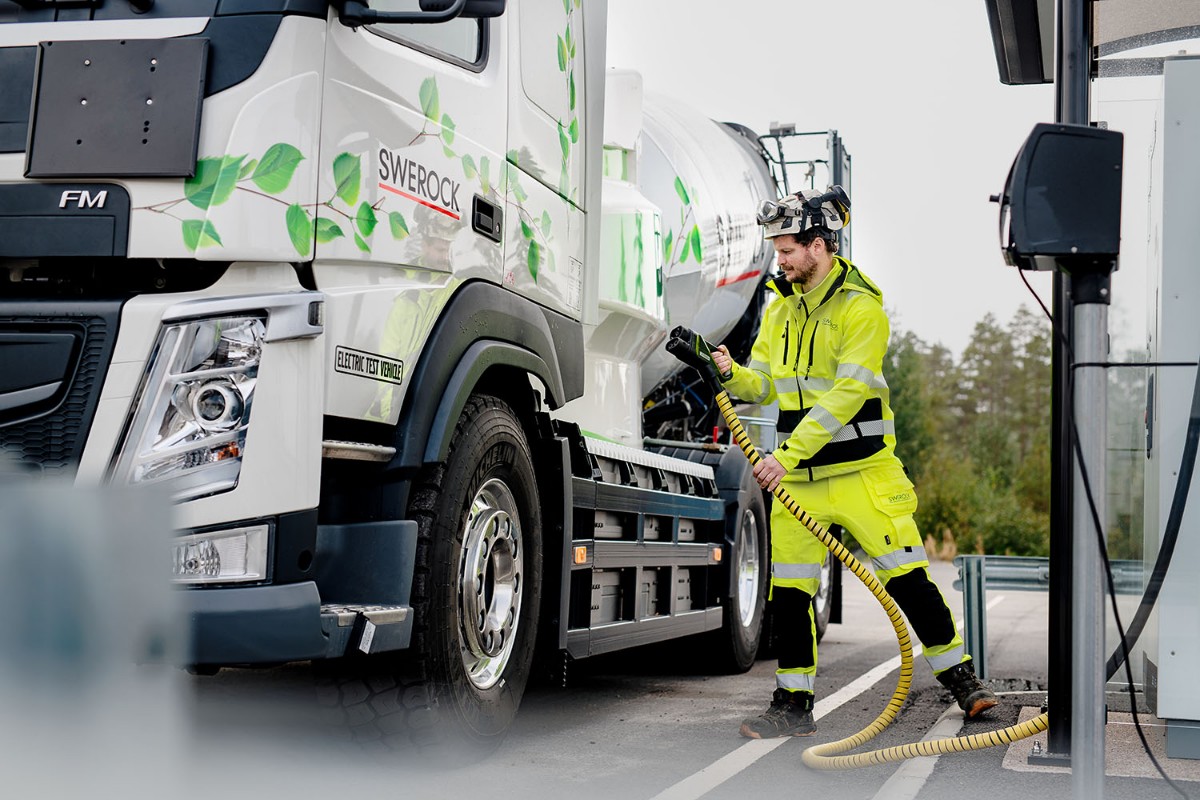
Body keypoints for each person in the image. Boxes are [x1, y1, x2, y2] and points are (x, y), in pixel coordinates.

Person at [711, 188, 997, 739]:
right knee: (790, 593)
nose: (779, 260)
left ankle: (963, 681)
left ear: (818, 246)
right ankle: (793, 705)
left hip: (863, 473)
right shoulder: (779, 308)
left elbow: (846, 394)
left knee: (908, 580)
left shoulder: (862, 309)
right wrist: (731, 372)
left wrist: (784, 456)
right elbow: (763, 383)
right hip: (801, 481)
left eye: (787, 249)